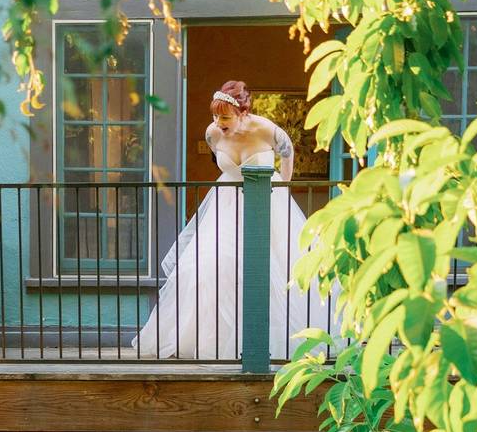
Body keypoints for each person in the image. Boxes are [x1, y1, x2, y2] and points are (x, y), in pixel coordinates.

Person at [131, 80, 330, 360]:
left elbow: (287, 153)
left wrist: (283, 187)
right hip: (225, 206)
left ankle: (271, 341)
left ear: (243, 113)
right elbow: (218, 159)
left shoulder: (266, 129)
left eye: (225, 116)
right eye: (215, 115)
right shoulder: (213, 133)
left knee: (275, 268)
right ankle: (212, 340)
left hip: (265, 201)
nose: (218, 122)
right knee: (210, 266)